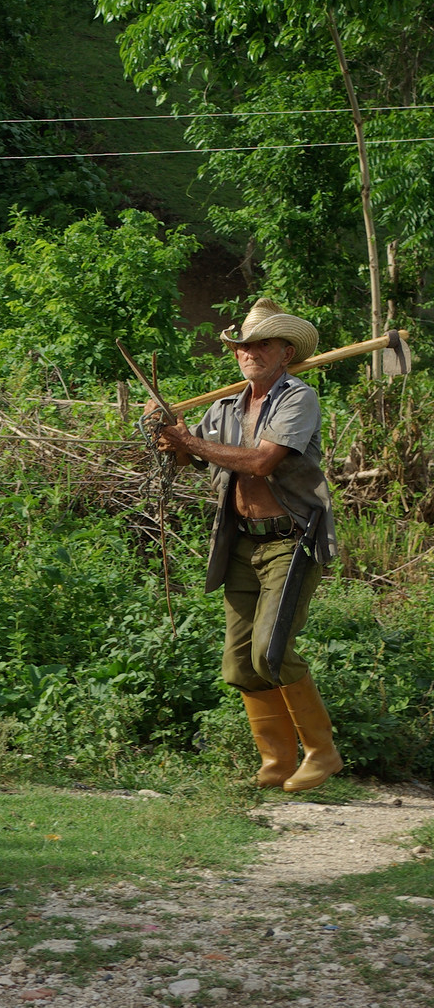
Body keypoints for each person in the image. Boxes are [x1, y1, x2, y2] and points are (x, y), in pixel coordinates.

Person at [152, 298, 343, 792]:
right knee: (239, 663)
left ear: (285, 352)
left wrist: (187, 441)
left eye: (262, 344)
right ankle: (277, 760)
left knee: (271, 653)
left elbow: (260, 463)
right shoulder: (225, 408)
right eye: (243, 345)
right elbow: (194, 461)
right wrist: (170, 439)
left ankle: (322, 753)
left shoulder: (297, 399)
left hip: (290, 541)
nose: (250, 352)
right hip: (240, 543)